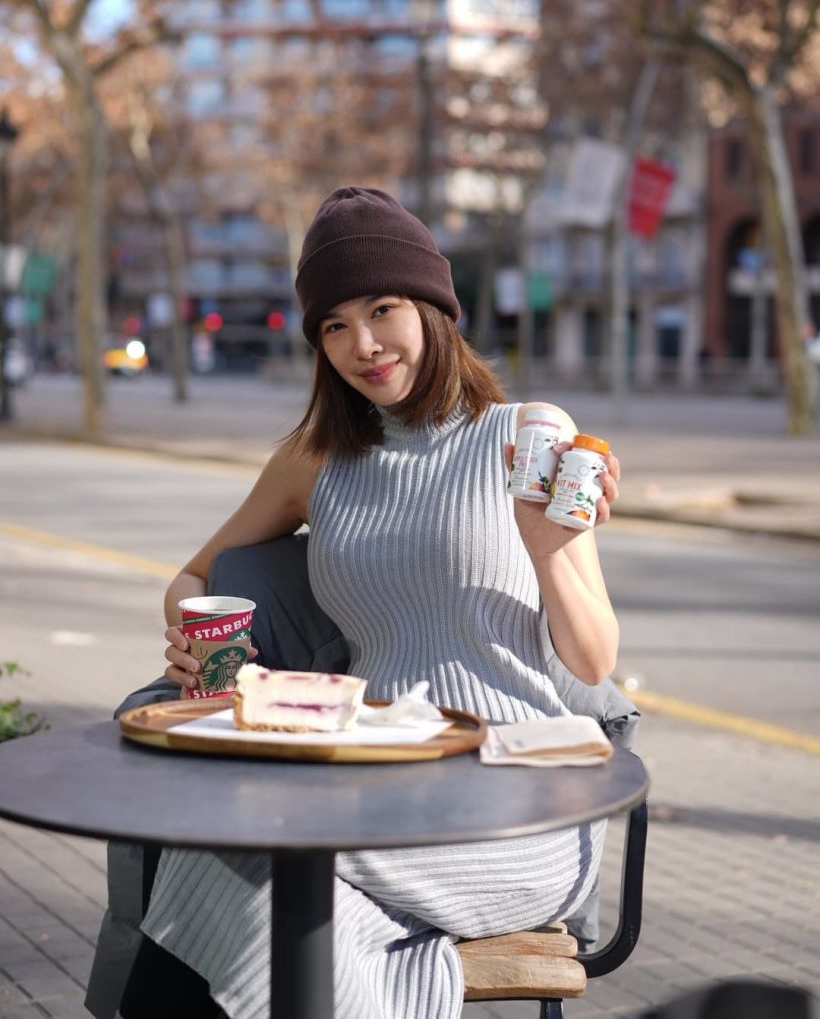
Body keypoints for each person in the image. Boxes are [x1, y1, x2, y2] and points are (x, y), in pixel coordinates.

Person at [119, 186, 622, 1019]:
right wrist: (199, 643)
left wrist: (548, 546)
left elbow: (596, 659)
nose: (364, 344)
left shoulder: (526, 432)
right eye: (335, 325)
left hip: (520, 799)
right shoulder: (315, 459)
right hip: (374, 773)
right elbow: (194, 576)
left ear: (432, 307)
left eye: (383, 309)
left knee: (263, 866)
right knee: (243, 879)